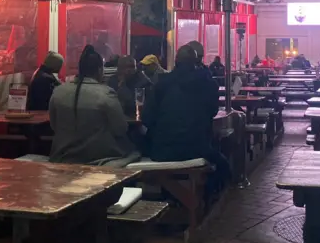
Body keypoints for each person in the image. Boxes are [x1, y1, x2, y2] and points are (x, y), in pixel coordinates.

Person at [142, 45, 229, 186]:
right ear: (197, 63)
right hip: (196, 148)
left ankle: (172, 193)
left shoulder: (161, 84)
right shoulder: (208, 84)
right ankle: (204, 198)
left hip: (162, 150)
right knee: (224, 167)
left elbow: (147, 118)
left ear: (176, 61)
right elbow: (212, 112)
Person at [49, 45, 140, 166]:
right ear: (99, 70)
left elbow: (54, 126)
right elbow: (121, 129)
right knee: (136, 150)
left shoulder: (58, 92)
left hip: (62, 155)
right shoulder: (106, 94)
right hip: (98, 157)